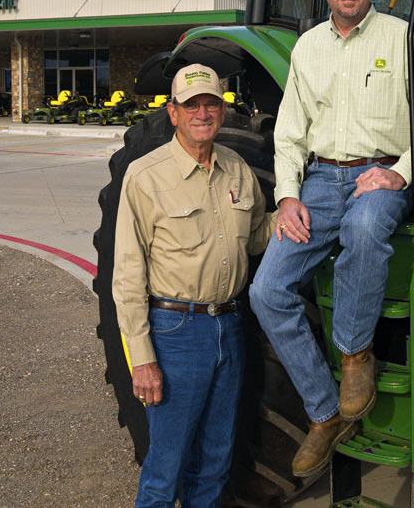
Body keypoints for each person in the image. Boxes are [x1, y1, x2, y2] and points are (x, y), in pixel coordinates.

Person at [249, 0, 414, 478]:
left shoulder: (404, 40)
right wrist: (287, 195)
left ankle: (355, 356)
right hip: (319, 180)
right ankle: (324, 410)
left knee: (363, 227)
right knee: (267, 291)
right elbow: (288, 133)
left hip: (381, 175)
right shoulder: (307, 48)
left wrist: (398, 172)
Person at [112, 63, 274, 508]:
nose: (202, 113)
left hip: (229, 327)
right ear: (173, 112)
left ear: (222, 110)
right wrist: (141, 359)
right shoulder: (145, 176)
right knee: (166, 467)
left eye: (211, 103)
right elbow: (127, 276)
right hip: (176, 332)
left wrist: (304, 208)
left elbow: (258, 236)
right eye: (191, 105)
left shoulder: (237, 169)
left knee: (215, 462)